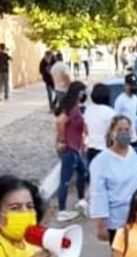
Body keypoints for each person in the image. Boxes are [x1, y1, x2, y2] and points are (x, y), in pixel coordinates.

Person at [90, 115, 137, 243]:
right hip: (119, 224)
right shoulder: (100, 162)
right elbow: (99, 195)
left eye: (127, 130)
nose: (124, 133)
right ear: (111, 133)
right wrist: (101, 226)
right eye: (120, 130)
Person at [54, 81, 89, 222]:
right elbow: (60, 122)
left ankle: (81, 199)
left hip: (74, 148)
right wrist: (62, 140)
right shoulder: (72, 109)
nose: (84, 95)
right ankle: (62, 211)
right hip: (69, 148)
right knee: (65, 180)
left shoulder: (74, 107)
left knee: (83, 171)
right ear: (77, 93)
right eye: (82, 92)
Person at [83, 83, 116, 167]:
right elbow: (112, 132)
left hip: (90, 147)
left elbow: (85, 129)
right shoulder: (110, 112)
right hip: (104, 148)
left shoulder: (88, 110)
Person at [114, 73, 137, 138]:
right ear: (125, 85)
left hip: (133, 135)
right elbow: (116, 118)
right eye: (131, 85)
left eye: (134, 85)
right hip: (124, 136)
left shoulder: (135, 99)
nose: (133, 87)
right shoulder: (120, 100)